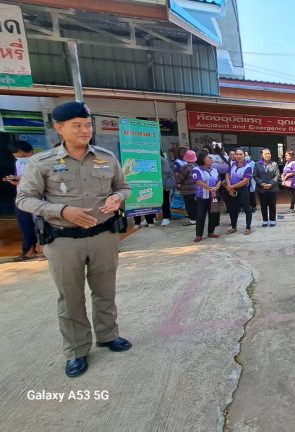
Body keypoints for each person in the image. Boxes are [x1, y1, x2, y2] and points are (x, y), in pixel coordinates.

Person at [15, 101, 133, 378]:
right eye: (77, 125)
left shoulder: (106, 157)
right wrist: (62, 210)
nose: (84, 130)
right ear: (59, 128)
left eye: (88, 125)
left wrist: (117, 197)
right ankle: (77, 350)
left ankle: (107, 335)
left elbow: (123, 186)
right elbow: (24, 199)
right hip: (63, 239)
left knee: (105, 291)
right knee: (70, 298)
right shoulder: (41, 162)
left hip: (103, 235)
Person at [3, 140, 40, 260]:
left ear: (31, 152)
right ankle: (29, 251)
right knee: (25, 224)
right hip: (22, 197)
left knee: (40, 225)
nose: (20, 159)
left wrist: (21, 182)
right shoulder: (18, 163)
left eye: (22, 156)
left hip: (37, 199)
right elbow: (21, 179)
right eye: (16, 156)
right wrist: (14, 180)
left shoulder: (40, 163)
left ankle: (40, 250)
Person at [191, 152, 222, 242]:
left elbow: (219, 180)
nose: (211, 159)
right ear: (203, 159)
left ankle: (211, 232)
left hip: (213, 196)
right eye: (209, 158)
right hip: (202, 197)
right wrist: (211, 189)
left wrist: (217, 187)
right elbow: (199, 181)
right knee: (201, 215)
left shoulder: (214, 170)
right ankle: (199, 235)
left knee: (213, 214)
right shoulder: (196, 170)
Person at [225, 148, 253, 235]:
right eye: (237, 154)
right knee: (233, 209)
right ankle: (234, 227)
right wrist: (229, 186)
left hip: (243, 190)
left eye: (241, 154)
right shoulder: (232, 164)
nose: (239, 156)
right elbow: (227, 175)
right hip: (232, 190)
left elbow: (245, 181)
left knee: (247, 209)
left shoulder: (248, 167)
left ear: (244, 156)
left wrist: (231, 187)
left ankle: (248, 227)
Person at [254, 148, 280, 227]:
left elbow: (277, 175)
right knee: (263, 205)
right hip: (261, 188)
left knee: (272, 205)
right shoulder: (257, 164)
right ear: (261, 155)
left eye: (269, 153)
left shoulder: (274, 164)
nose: (268, 155)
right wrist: (262, 184)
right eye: (266, 154)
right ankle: (265, 220)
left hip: (272, 188)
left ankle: (272, 220)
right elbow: (255, 176)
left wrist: (271, 184)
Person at [176, 150, 199, 226]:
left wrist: (177, 179)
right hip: (196, 189)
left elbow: (179, 179)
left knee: (189, 205)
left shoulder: (185, 168)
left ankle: (193, 219)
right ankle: (197, 218)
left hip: (187, 191)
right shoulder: (197, 167)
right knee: (195, 204)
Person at [160, 150, 175, 226]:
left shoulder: (162, 160)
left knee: (164, 201)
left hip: (163, 184)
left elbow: (167, 172)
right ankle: (150, 219)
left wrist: (165, 184)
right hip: (155, 184)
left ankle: (166, 217)